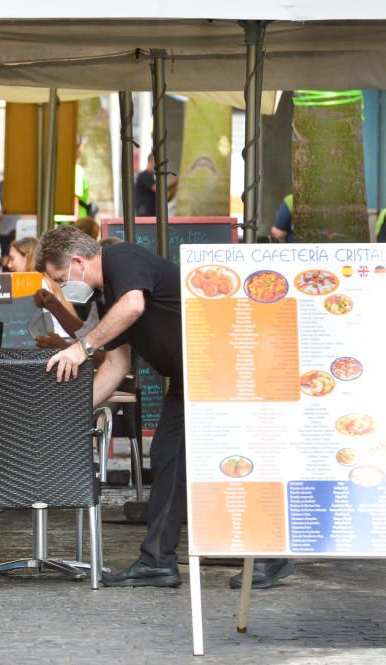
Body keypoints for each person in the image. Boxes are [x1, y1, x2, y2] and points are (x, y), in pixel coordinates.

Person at [42, 226, 293, 589]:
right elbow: (117, 364)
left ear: (78, 261)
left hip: (222, 368)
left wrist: (81, 349)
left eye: (60, 278)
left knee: (231, 459)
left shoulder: (122, 259)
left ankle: (272, 551)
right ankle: (158, 560)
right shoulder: (105, 297)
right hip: (191, 377)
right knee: (168, 459)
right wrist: (71, 415)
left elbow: (134, 305)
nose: (62, 287)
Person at [0, 180, 19, 258]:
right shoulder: (0, 185)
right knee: (7, 254)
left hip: (14, 226)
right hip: (7, 227)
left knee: (6, 255)